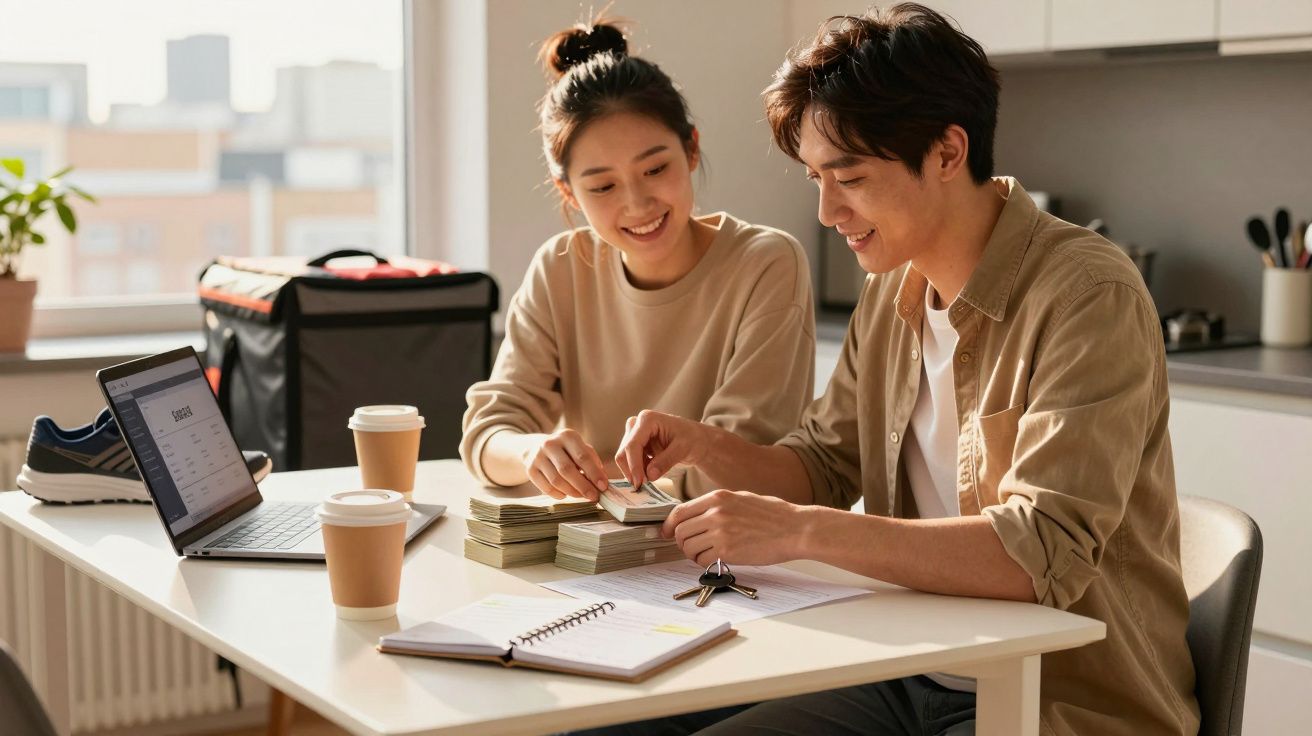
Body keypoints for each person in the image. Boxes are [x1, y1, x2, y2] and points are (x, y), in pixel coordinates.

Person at [606, 4, 1199, 735]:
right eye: (817, 179)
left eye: (848, 177)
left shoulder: (1085, 294)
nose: (826, 211)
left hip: (1055, 701)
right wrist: (706, 447)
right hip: (906, 675)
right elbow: (826, 463)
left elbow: (1042, 553)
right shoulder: (895, 284)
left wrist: (802, 532)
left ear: (947, 152)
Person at [461, 19, 815, 502]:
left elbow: (745, 463)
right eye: (603, 186)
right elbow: (487, 435)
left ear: (691, 149)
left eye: (655, 168)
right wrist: (532, 453)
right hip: (592, 550)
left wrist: (594, 479)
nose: (637, 204)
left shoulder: (765, 264)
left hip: (717, 553)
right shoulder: (559, 268)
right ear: (568, 192)